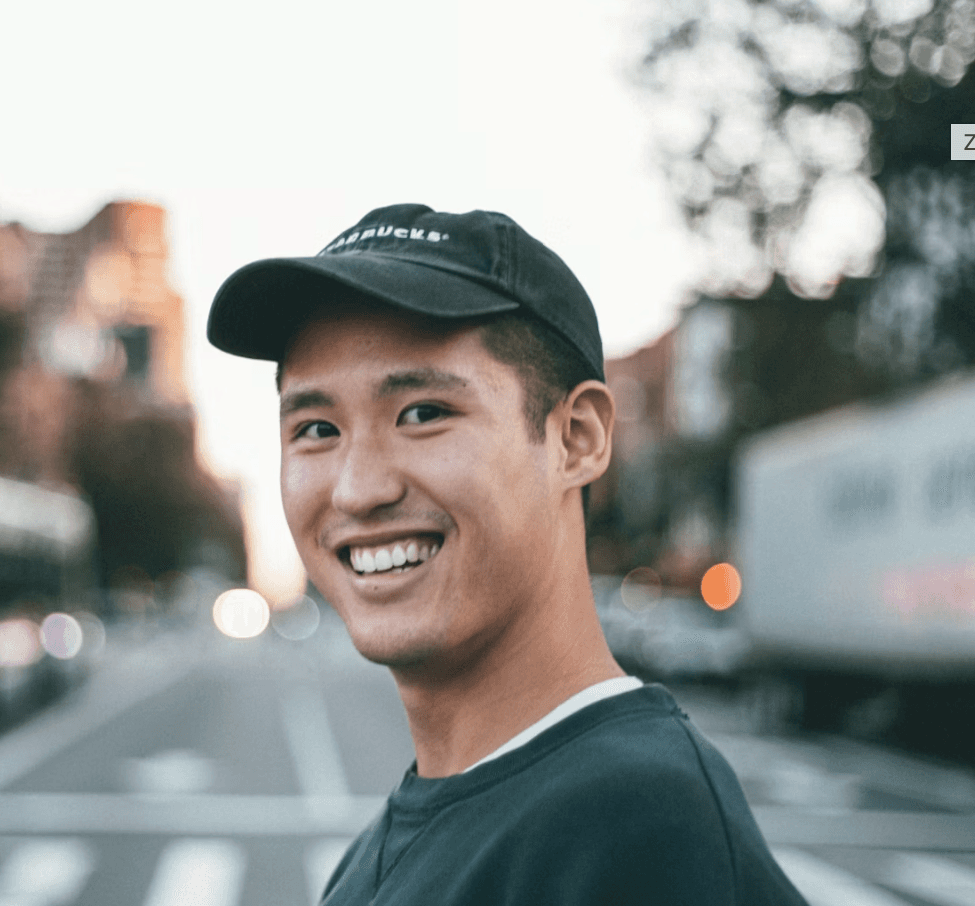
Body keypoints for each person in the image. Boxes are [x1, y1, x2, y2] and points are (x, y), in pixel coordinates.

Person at [207, 204, 809, 905]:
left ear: (576, 438)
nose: (358, 488)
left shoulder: (639, 833)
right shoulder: (415, 828)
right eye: (315, 428)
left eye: (423, 413)